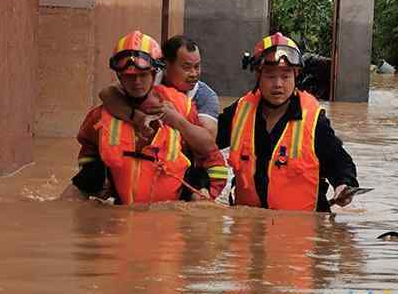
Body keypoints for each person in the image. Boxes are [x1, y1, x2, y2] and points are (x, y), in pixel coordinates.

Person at [67, 31, 226, 203]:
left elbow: (211, 154)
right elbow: (87, 148)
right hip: (122, 214)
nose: (137, 82)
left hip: (171, 217)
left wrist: (204, 189)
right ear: (119, 75)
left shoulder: (185, 105)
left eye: (143, 75)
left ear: (155, 72)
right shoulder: (104, 113)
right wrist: (97, 178)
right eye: (130, 76)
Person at [217, 32, 359, 212]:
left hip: (301, 229)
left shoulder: (314, 121)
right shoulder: (239, 113)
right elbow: (205, 146)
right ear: (257, 77)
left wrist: (343, 186)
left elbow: (340, 162)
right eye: (270, 76)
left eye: (285, 77)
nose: (278, 84)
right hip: (248, 228)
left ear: (296, 76)